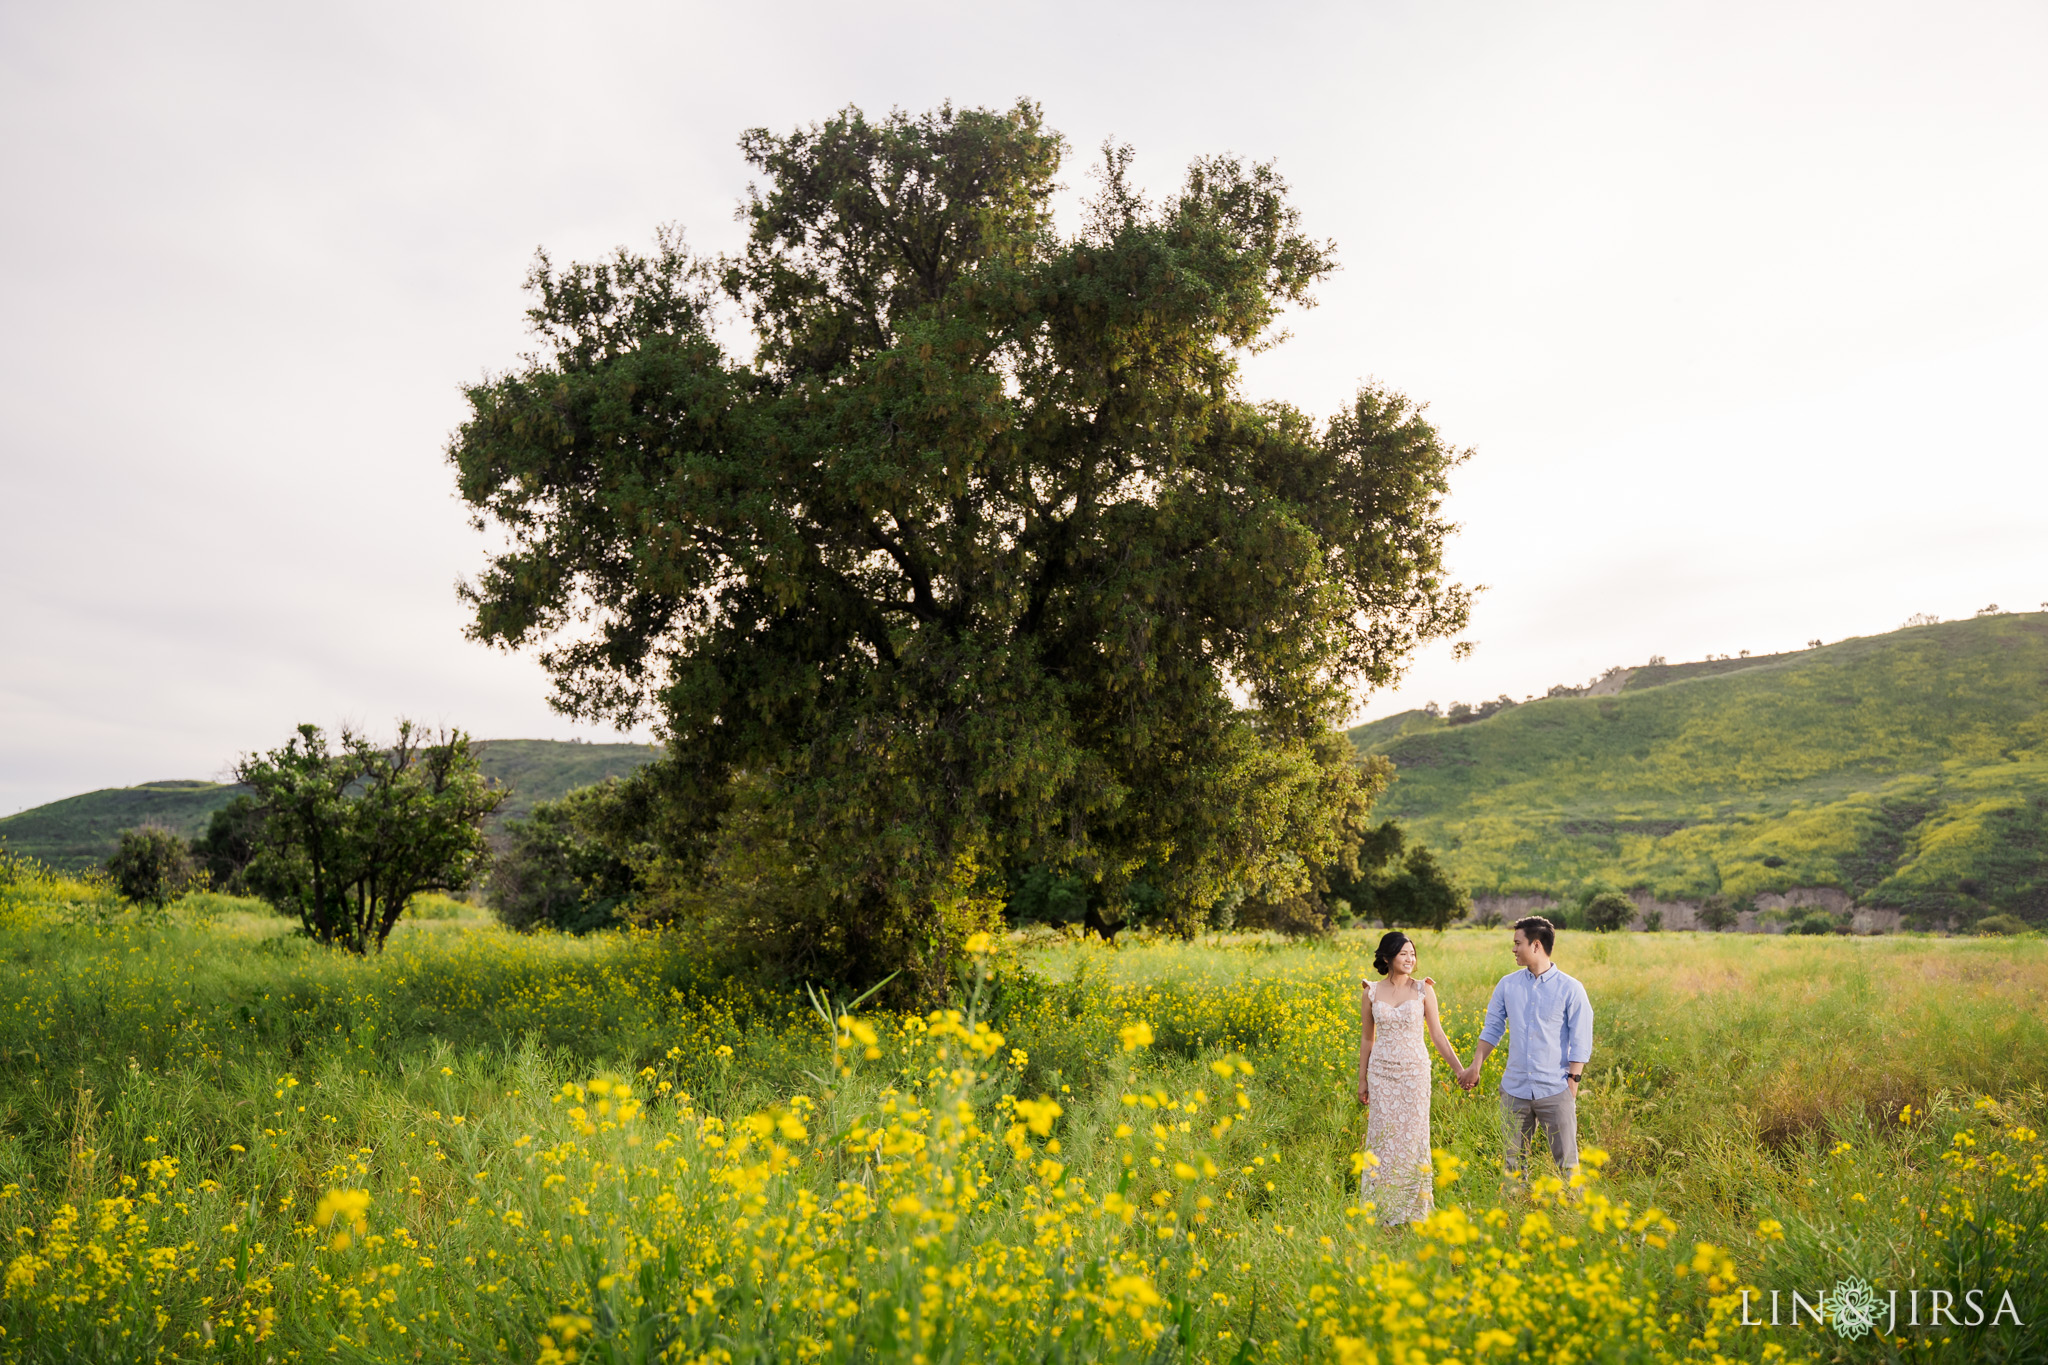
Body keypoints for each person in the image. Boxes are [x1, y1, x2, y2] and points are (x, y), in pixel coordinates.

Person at [1460, 915, 1593, 1191]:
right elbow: (1492, 1029)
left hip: (1555, 1089)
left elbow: (1581, 1040)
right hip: (1514, 1090)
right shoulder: (1507, 985)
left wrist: (1573, 1084)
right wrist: (1476, 1065)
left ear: (1535, 945)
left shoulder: (1571, 989)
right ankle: (1512, 1224)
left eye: (1517, 943)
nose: (1513, 949)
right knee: (1512, 1168)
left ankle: (1574, 1221)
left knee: (1567, 1165)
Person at [1357, 930, 1470, 1225]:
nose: (1410, 959)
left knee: (1414, 1138)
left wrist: (1460, 1070)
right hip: (1381, 1073)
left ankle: (1413, 1210)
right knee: (1383, 1138)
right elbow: (1367, 1039)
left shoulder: (1423, 989)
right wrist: (1362, 1080)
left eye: (1413, 954)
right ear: (1387, 957)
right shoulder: (1370, 991)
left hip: (1414, 1074)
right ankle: (1382, 1208)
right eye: (1403, 953)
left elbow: (1437, 1034)